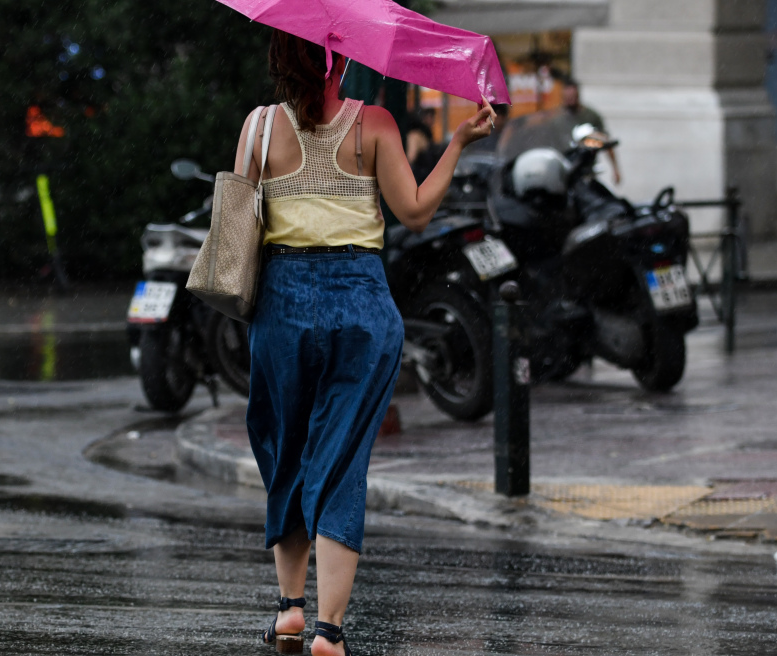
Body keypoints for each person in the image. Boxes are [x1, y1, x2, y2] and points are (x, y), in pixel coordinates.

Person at [235, 31, 494, 656]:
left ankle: (290, 610)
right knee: (342, 460)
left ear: (280, 59)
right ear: (341, 61)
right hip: (361, 304)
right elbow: (416, 213)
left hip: (283, 304)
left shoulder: (259, 128)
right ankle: (329, 630)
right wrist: (458, 142)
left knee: (286, 449)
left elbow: (239, 222)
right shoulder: (373, 124)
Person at [557, 79, 621, 185]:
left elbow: (605, 141)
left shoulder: (590, 116)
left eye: (572, 97)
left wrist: (615, 169)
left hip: (585, 171)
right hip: (562, 170)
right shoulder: (557, 118)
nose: (570, 101)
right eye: (567, 98)